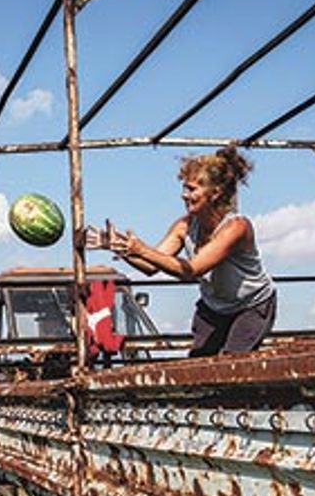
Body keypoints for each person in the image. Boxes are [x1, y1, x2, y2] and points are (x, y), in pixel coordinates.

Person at [90, 145, 276, 357]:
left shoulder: (236, 228)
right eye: (184, 188)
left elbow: (191, 270)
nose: (184, 195)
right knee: (199, 363)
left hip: (251, 306)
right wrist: (119, 247)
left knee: (232, 364)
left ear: (215, 193)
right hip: (215, 307)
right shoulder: (185, 226)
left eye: (191, 189)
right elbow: (150, 266)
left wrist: (141, 249)